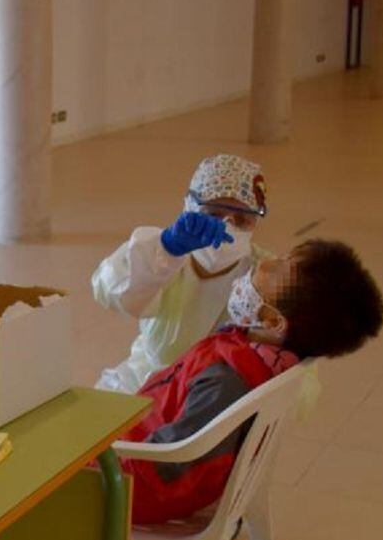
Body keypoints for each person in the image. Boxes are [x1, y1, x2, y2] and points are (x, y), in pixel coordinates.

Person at [121, 239, 383, 540]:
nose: (266, 261)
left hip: (140, 476)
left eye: (277, 268)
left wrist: (99, 460)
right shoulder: (265, 354)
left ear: (273, 321)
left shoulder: (228, 380)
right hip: (158, 447)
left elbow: (170, 467)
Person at [92, 154, 271, 394]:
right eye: (214, 214)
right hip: (145, 377)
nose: (226, 225)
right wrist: (166, 249)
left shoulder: (265, 273)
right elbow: (112, 293)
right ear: (190, 205)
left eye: (242, 219)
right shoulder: (162, 254)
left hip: (215, 393)